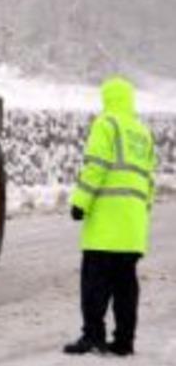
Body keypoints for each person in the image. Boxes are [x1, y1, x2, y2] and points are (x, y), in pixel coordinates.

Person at [63, 76, 157, 356]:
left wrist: (80, 202)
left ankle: (93, 337)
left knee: (94, 284)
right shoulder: (142, 133)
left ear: (108, 99)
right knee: (126, 286)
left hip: (106, 226)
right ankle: (124, 342)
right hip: (132, 228)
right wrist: (140, 214)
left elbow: (96, 167)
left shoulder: (107, 125)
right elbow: (148, 182)